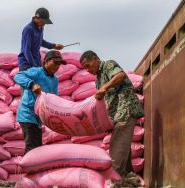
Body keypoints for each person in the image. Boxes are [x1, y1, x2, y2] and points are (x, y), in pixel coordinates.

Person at [79, 50, 144, 187]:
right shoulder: (98, 79)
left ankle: (115, 182)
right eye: (85, 68)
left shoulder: (108, 65)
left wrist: (104, 87)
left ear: (95, 59)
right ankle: (131, 180)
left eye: (88, 65)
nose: (87, 70)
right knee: (123, 151)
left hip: (125, 110)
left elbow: (120, 75)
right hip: (116, 116)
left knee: (117, 150)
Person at [14, 50, 66, 153]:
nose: (57, 66)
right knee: (32, 148)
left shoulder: (55, 80)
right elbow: (18, 76)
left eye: (59, 64)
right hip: (27, 115)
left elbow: (54, 98)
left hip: (38, 118)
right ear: (46, 61)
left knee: (37, 148)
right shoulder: (36, 72)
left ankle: (32, 168)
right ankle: (27, 168)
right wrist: (32, 84)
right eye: (55, 63)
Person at [18, 7, 64, 72]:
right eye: (43, 21)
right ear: (36, 18)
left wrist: (54, 46)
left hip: (37, 62)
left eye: (45, 22)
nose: (44, 24)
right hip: (27, 64)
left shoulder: (41, 28)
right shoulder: (28, 29)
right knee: (30, 82)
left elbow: (41, 41)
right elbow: (26, 50)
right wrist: (34, 66)